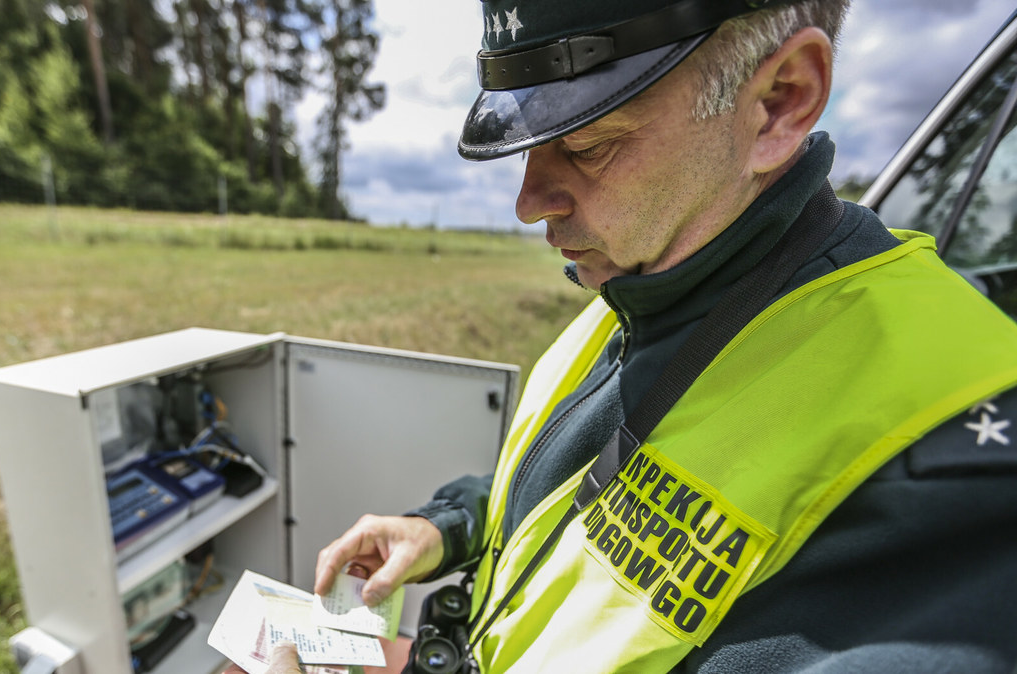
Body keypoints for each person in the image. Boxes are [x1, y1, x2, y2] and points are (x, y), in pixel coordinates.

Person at [264, 0, 1017, 672]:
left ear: (779, 102)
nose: (529, 202)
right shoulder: (644, 287)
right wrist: (449, 526)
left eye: (590, 146)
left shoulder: (959, 471)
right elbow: (582, 503)